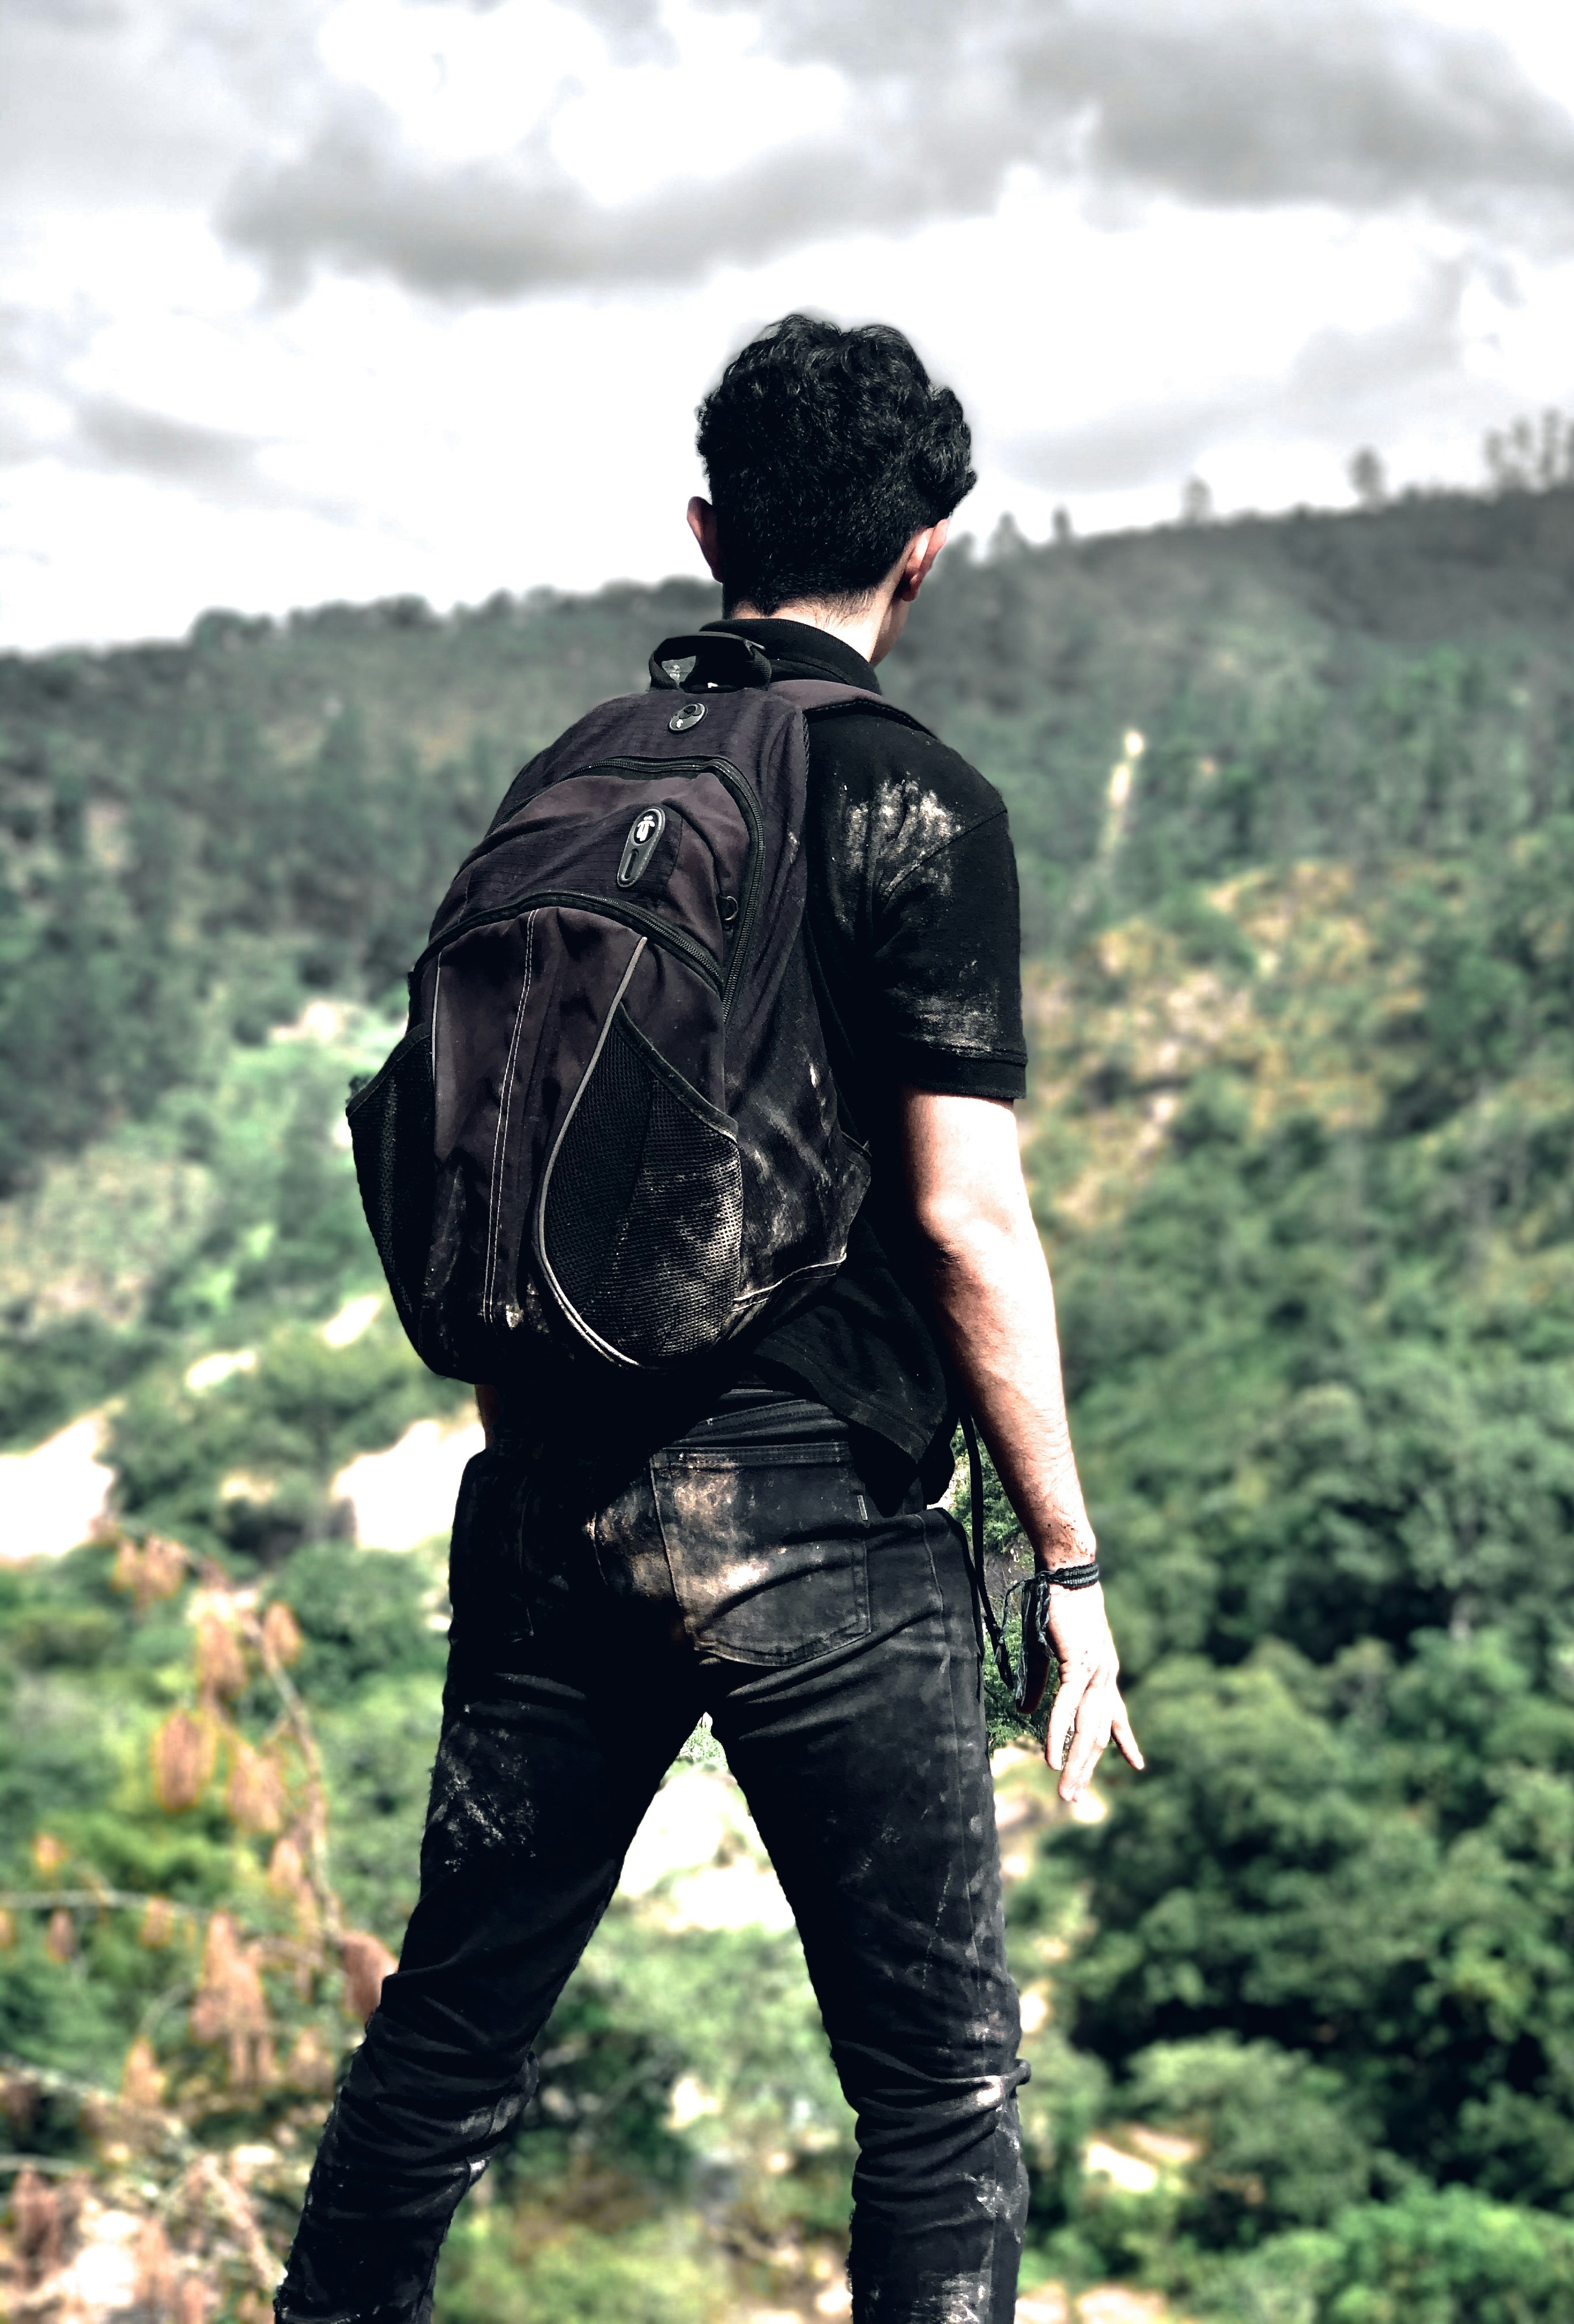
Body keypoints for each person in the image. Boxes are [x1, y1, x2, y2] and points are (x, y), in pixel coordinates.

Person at [275, 314, 1142, 2324]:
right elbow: (965, 1215)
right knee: (937, 2091)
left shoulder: (575, 775)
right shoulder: (914, 803)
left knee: (446, 2048)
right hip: (814, 1520)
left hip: (552, 1489)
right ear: (926, 548)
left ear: (703, 527)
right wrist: (1068, 1564)